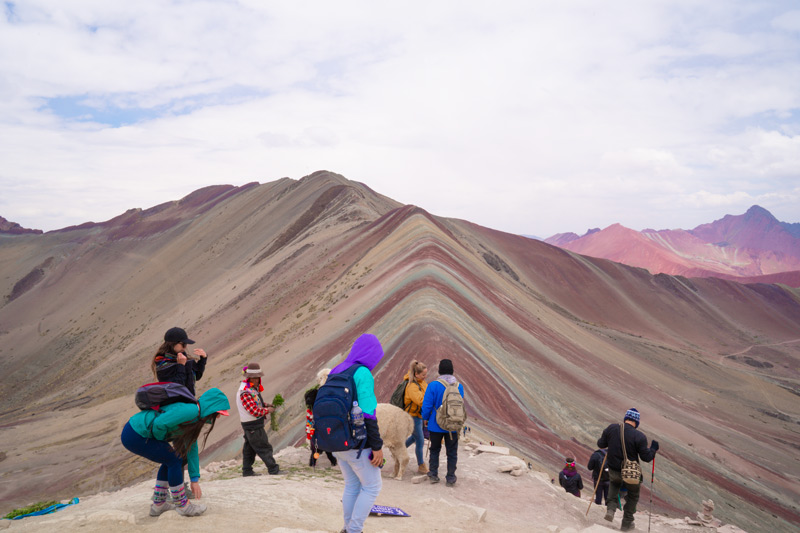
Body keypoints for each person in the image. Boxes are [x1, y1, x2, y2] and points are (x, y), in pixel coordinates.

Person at [120, 387, 230, 517]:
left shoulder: (194, 418)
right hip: (135, 433)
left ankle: (158, 505)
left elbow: (192, 449)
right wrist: (162, 440)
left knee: (170, 459)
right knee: (174, 460)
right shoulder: (192, 411)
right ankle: (182, 505)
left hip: (135, 432)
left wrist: (195, 479)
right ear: (211, 408)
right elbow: (159, 423)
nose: (218, 417)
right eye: (218, 413)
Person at [330, 334, 385, 533]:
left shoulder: (337, 369)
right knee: (371, 487)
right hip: (357, 442)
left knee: (352, 485)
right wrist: (377, 447)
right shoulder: (362, 373)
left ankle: (347, 528)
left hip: (336, 440)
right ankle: (354, 530)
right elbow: (368, 414)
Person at [597, 408, 659, 531]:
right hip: (631, 473)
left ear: (626, 418)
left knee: (614, 487)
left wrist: (609, 439)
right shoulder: (640, 436)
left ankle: (610, 510)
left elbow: (600, 444)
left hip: (614, 470)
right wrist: (653, 449)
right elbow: (646, 457)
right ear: (636, 422)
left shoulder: (612, 428)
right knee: (633, 496)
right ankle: (626, 523)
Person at [420, 358, 465, 487]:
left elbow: (427, 406)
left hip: (436, 425)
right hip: (453, 425)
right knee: (452, 451)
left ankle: (433, 474)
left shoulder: (433, 385)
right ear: (452, 371)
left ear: (439, 371)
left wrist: (425, 418)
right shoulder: (459, 386)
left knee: (434, 449)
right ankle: (450, 477)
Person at [236, 363, 282, 476]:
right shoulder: (245, 392)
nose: (257, 380)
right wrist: (268, 410)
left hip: (250, 424)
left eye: (258, 377)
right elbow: (254, 411)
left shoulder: (250, 388)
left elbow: (256, 403)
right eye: (254, 378)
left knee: (249, 449)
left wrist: (266, 405)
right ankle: (273, 469)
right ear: (249, 377)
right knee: (264, 447)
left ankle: (247, 471)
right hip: (253, 424)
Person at [151, 327, 208, 396]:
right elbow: (177, 388)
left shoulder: (183, 357)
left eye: (186, 344)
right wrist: (181, 366)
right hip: (175, 404)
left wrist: (203, 359)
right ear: (172, 344)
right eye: (183, 344)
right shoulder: (163, 364)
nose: (185, 347)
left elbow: (197, 376)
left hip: (189, 400)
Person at [402, 360, 429, 474]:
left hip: (419, 415)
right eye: (423, 375)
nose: (425, 376)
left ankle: (399, 450)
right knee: (420, 439)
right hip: (412, 416)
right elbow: (420, 400)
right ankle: (421, 465)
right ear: (417, 374)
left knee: (415, 437)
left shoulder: (421, 382)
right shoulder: (412, 385)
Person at [304, 385, 337, 467]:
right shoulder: (322, 406)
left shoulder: (313, 410)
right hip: (323, 429)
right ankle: (332, 461)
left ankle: (313, 463)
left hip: (317, 430)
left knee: (316, 447)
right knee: (324, 445)